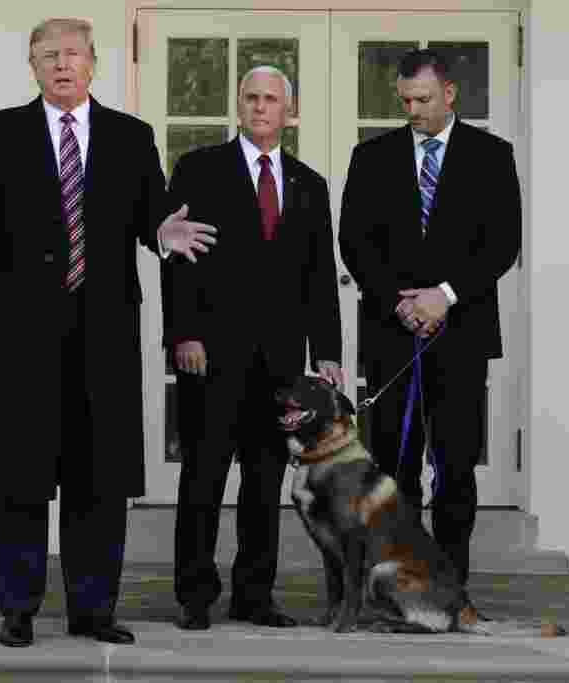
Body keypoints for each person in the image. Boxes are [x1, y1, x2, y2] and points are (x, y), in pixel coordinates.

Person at [0, 17, 217, 648]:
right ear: (32, 67)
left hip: (104, 331)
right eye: (47, 56)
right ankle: (18, 608)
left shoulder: (131, 136)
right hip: (20, 333)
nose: (60, 65)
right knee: (19, 477)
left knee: (100, 478)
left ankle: (94, 610)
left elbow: (153, 214)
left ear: (94, 63)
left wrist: (164, 237)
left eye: (71, 54)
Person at [338, 49, 521, 614]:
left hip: (461, 334)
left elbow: (502, 242)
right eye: (405, 102)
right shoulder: (372, 157)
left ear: (449, 94)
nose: (412, 110)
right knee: (394, 468)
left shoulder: (492, 156)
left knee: (456, 464)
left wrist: (443, 296)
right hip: (392, 334)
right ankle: (396, 588)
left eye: (421, 100)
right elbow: (355, 240)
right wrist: (402, 301)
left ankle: (450, 588)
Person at [164, 66, 343, 631]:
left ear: (289, 111)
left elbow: (319, 277)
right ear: (237, 105)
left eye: (272, 100)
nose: (261, 107)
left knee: (264, 484)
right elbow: (179, 261)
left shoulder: (310, 184)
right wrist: (183, 333)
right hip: (211, 354)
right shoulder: (198, 169)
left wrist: (329, 352)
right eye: (251, 97)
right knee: (203, 478)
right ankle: (195, 596)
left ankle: (254, 594)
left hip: (280, 363)